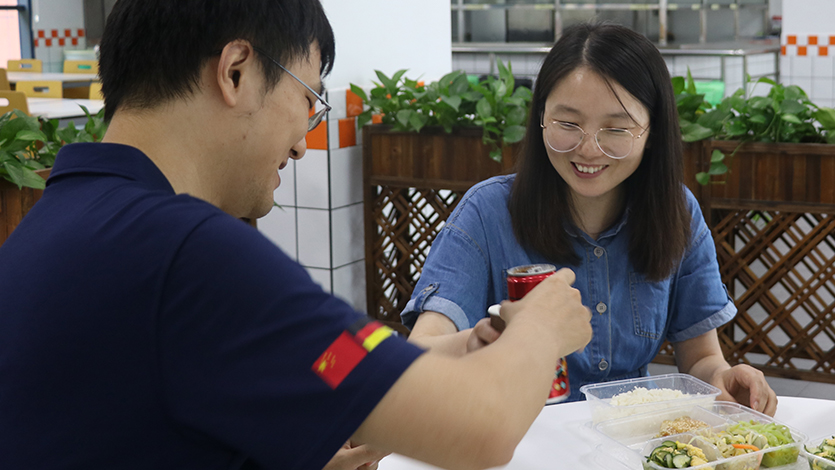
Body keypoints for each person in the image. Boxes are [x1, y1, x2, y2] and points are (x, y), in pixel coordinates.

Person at [0, 1, 594, 470]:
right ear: (236, 71)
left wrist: (459, 351)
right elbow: (481, 429)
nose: (304, 142)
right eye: (309, 101)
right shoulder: (188, 253)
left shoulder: (57, 224)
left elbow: (329, 362)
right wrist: (541, 330)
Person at [401, 23, 778, 416]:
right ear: (541, 118)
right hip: (514, 440)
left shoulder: (677, 211)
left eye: (615, 129)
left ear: (651, 132)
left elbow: (701, 358)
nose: (588, 149)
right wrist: (479, 343)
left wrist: (723, 377)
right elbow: (422, 351)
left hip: (631, 440)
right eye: (568, 124)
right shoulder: (487, 212)